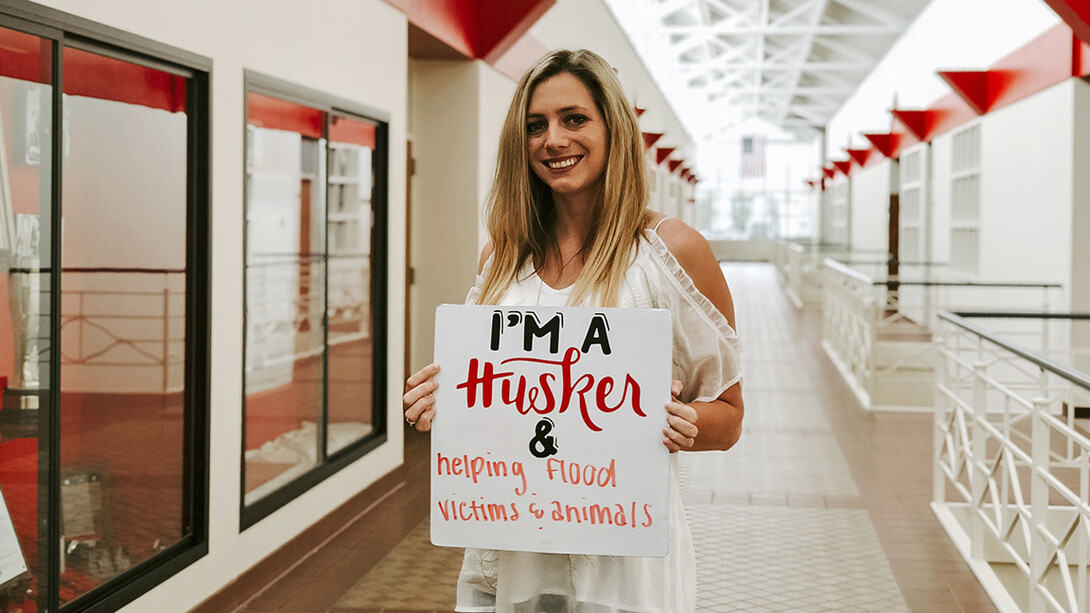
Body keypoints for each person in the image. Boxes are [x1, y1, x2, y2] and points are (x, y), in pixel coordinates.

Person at [402, 48, 744, 613]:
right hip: (510, 553)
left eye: (574, 119)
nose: (553, 140)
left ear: (613, 128)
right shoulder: (503, 258)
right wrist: (441, 399)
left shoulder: (671, 254)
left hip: (624, 566)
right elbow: (483, 395)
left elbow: (728, 417)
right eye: (535, 126)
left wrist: (683, 422)